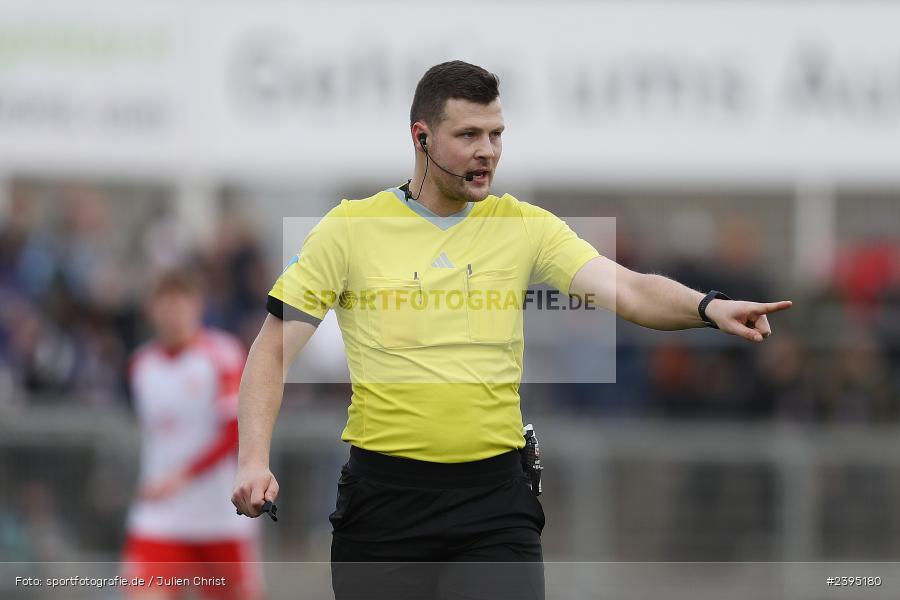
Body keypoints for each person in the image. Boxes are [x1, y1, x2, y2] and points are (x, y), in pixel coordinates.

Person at [231, 60, 792, 599]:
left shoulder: (523, 226)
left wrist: (708, 306)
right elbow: (272, 351)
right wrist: (253, 459)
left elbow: (629, 289)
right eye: (469, 134)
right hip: (384, 505)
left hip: (493, 507)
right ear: (421, 138)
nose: (488, 151)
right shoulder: (351, 228)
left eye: (497, 134)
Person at [123, 270, 262, 600]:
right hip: (160, 517)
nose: (174, 314)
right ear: (152, 309)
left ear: (197, 306)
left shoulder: (223, 356)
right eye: (166, 304)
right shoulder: (141, 365)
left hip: (219, 517)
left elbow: (234, 433)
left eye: (181, 303)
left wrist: (182, 476)